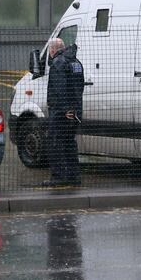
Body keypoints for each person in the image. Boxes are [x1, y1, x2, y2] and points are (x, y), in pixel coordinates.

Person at [42, 38, 84, 187]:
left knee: (55, 143)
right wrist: (74, 109)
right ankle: (74, 176)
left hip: (61, 112)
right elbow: (79, 88)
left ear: (53, 50)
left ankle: (58, 176)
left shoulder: (58, 63)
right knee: (69, 144)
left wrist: (66, 109)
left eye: (49, 51)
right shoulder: (76, 63)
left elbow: (60, 89)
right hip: (75, 111)